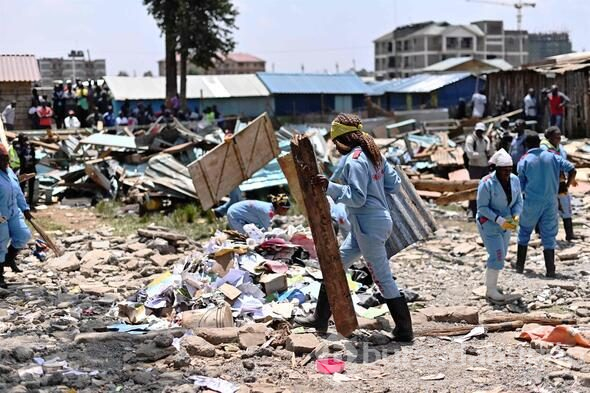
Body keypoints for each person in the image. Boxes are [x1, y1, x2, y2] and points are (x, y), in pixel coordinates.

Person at [295, 113, 413, 342]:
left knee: (381, 277)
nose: (336, 147)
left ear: (343, 139)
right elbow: (394, 185)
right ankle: (320, 319)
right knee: (336, 265)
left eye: (335, 141)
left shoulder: (355, 160)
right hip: (370, 223)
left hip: (368, 225)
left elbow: (357, 198)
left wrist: (331, 187)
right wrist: (376, 194)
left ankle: (404, 329)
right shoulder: (374, 155)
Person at [516, 131, 576, 277]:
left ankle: (520, 268)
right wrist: (566, 186)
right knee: (549, 236)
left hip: (531, 202)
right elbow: (572, 169)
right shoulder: (552, 156)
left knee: (524, 232)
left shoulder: (524, 160)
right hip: (551, 201)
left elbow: (520, 187)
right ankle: (550, 271)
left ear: (526, 145)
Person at [476, 149, 522, 303]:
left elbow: (518, 201)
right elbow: (482, 207)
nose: (506, 173)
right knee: (497, 255)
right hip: (489, 224)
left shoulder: (515, 180)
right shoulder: (486, 183)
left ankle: (492, 285)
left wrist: (515, 216)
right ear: (497, 169)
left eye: (509, 170)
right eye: (503, 170)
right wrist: (498, 219)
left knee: (502, 254)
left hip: (507, 224)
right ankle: (490, 290)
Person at [0, 144, 33, 287]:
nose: (5, 161)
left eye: (6, 157)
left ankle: (9, 259)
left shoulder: (9, 172)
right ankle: (0, 274)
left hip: (13, 211)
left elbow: (18, 191)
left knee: (23, 234)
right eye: (2, 158)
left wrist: (25, 208)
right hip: (0, 214)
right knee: (1, 242)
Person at [541, 126, 576, 242]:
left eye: (559, 135)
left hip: (561, 183)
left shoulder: (560, 148)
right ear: (549, 137)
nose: (559, 137)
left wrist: (569, 182)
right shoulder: (544, 149)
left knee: (566, 207)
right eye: (556, 136)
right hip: (549, 183)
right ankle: (545, 235)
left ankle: (569, 234)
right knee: (549, 210)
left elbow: (566, 163)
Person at [464, 122, 494, 218]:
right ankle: (471, 211)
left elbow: (490, 151)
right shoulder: (470, 140)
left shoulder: (486, 140)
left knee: (485, 190)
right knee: (474, 189)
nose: (480, 133)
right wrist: (483, 154)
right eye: (478, 131)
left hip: (484, 167)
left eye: (481, 131)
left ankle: (483, 211)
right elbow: (470, 155)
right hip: (475, 167)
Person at [226, 194, 290, 234]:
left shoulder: (269, 208)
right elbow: (266, 231)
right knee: (245, 237)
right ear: (279, 207)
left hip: (236, 212)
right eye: (285, 209)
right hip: (235, 215)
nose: (286, 211)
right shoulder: (267, 211)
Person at [15, 135, 36, 208]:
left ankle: (30, 203)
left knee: (31, 187)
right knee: (21, 187)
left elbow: (33, 157)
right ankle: (22, 203)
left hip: (31, 169)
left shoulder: (30, 147)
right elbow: (19, 154)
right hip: (24, 169)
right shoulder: (18, 147)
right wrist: (23, 147)